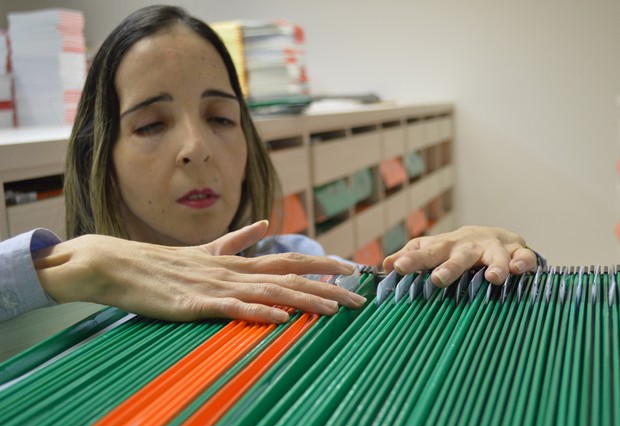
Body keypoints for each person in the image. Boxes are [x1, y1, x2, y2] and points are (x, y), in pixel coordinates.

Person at [0, 5, 541, 325]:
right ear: (100, 156)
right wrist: (88, 263)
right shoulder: (51, 306)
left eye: (220, 117)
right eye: (151, 125)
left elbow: (398, 317)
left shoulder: (291, 264)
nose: (197, 148)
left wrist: (486, 267)